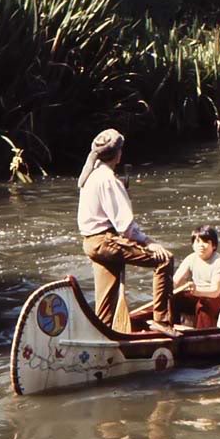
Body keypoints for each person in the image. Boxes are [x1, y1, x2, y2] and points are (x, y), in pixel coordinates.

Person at [77, 128, 174, 329]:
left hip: (91, 243)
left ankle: (103, 331)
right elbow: (126, 227)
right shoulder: (109, 180)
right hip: (105, 242)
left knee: (106, 301)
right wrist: (150, 242)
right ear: (118, 154)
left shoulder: (92, 175)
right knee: (165, 259)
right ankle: (162, 321)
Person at [172, 225, 220, 328]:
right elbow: (176, 281)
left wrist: (196, 291)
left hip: (216, 300)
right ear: (193, 245)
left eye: (206, 242)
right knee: (175, 298)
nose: (201, 245)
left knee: (203, 304)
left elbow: (215, 291)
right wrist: (168, 291)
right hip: (197, 295)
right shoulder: (191, 258)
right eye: (198, 242)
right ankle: (172, 327)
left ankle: (202, 333)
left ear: (214, 246)